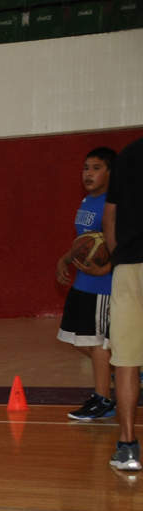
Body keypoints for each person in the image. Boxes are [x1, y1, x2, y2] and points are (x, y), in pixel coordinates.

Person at [56, 147, 117, 420]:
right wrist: (65, 259)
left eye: (96, 168)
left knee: (98, 345)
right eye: (85, 168)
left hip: (102, 286)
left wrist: (105, 267)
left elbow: (122, 244)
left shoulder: (112, 204)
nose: (88, 173)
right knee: (75, 339)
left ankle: (103, 399)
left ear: (110, 173)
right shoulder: (86, 201)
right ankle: (130, 366)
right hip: (82, 283)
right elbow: (86, 242)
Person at [105, 135, 143, 471]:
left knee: (127, 361)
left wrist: (119, 256)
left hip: (128, 266)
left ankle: (128, 447)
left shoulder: (127, 156)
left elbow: (111, 215)